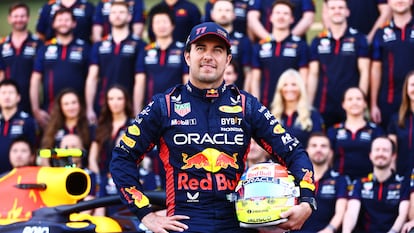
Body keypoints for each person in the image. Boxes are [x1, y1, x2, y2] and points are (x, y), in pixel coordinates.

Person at [110, 22, 316, 233]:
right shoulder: (164, 105)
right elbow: (122, 157)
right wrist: (145, 214)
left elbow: (293, 152)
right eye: (201, 49)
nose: (208, 56)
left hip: (237, 222)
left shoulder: (246, 105)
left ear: (227, 60)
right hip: (185, 224)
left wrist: (307, 202)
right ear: (188, 56)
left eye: (217, 50)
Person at [307, 0, 370, 128]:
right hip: (324, 103)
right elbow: (313, 74)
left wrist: (359, 100)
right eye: (333, 8)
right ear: (327, 12)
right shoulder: (317, 41)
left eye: (341, 8)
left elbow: (365, 72)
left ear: (347, 12)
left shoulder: (359, 39)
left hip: (350, 103)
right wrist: (308, 104)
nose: (337, 11)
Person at [85, 1, 146, 123]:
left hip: (128, 105)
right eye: (114, 12)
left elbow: (140, 80)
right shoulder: (99, 45)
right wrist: (89, 108)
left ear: (129, 17)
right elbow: (92, 78)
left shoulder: (139, 45)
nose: (117, 15)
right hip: (103, 104)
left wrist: (137, 108)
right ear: (109, 17)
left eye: (121, 12)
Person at [30, 8, 90, 129]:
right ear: (53, 24)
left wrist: (89, 108)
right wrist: (36, 109)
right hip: (50, 112)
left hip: (77, 111)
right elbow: (35, 80)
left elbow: (92, 80)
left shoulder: (84, 48)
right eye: (60, 20)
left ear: (74, 23)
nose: (63, 23)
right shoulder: (45, 49)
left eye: (67, 20)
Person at [342, 137, 410, 233]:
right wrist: (346, 231)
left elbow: (403, 215)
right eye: (377, 150)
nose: (380, 154)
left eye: (385, 150)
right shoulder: (360, 183)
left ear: (393, 156)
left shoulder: (402, 183)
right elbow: (351, 213)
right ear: (370, 155)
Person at [250, 0, 309, 108]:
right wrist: (256, 106)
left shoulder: (301, 45)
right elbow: (255, 80)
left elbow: (303, 79)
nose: (281, 17)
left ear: (292, 19)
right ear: (271, 17)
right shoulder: (259, 47)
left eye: (285, 13)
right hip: (265, 106)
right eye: (277, 13)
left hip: (290, 108)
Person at [88, 85, 134, 216]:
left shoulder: (134, 125)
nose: (115, 102)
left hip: (125, 177)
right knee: (96, 208)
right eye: (111, 99)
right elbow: (92, 158)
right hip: (102, 176)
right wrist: (100, 179)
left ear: (126, 101)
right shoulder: (101, 126)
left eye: (119, 98)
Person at [135, 4, 188, 112]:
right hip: (151, 110)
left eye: (164, 22)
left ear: (172, 25)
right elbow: (139, 83)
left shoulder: (183, 50)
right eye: (157, 22)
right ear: (152, 27)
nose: (161, 26)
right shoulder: (145, 51)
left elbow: (187, 81)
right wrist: (137, 112)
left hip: (177, 110)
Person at [370, 0, 414, 129]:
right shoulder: (381, 33)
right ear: (388, 2)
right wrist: (373, 104)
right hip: (388, 99)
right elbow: (376, 69)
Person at [292, 133, 348, 233]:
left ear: (331, 152)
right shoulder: (293, 178)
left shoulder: (339, 180)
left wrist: (329, 230)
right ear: (306, 151)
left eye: (323, 146)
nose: (318, 149)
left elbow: (341, 212)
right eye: (314, 145)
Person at [327, 87, 384, 181]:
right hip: (340, 184)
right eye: (350, 99)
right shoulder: (334, 131)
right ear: (343, 104)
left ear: (365, 104)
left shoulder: (376, 130)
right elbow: (328, 159)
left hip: (368, 184)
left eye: (358, 99)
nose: (354, 102)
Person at [0, 2, 43, 114]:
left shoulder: (38, 44)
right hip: (7, 101)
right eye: (15, 16)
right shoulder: (2, 45)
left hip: (31, 102)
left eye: (22, 16)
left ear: (28, 18)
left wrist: (36, 107)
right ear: (9, 19)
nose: (19, 19)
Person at [270, 69, 324, 147]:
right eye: (285, 85)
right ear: (280, 89)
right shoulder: (271, 114)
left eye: (294, 84)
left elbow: (317, 144)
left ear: (300, 88)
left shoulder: (312, 115)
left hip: (303, 158)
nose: (289, 89)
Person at [40, 89, 93, 167]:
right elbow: (44, 156)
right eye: (66, 104)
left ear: (80, 104)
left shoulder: (90, 128)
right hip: (58, 174)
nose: (70, 107)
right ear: (60, 107)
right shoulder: (53, 128)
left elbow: (93, 158)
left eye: (74, 103)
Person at [210, 0, 252, 91]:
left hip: (236, 94)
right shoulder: (206, 40)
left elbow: (248, 73)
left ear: (234, 15)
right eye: (220, 10)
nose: (223, 13)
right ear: (212, 14)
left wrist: (243, 97)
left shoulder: (243, 41)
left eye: (227, 10)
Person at [0, 79, 37, 174]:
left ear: (18, 97)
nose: (7, 96)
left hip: (19, 177)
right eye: (3, 93)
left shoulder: (27, 121)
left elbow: (33, 150)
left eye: (11, 93)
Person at [322, 0, 391, 43]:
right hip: (343, 44)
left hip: (370, 40)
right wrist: (333, 40)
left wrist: (370, 38)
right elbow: (326, 13)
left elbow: (386, 12)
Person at [247, 0, 315, 41]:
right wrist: (269, 39)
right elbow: (253, 19)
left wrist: (288, 38)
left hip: (295, 46)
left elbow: (308, 18)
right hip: (264, 46)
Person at [388, 71, 414, 176]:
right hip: (402, 177)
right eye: (412, 85)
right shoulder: (396, 119)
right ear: (406, 89)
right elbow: (391, 153)